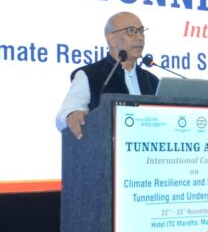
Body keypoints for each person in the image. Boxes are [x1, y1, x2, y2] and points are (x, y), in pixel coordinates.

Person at [56, 11, 159, 139]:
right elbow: (64, 115)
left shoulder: (152, 81)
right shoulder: (89, 75)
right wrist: (71, 114)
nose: (140, 37)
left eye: (141, 31)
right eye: (131, 31)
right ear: (111, 39)